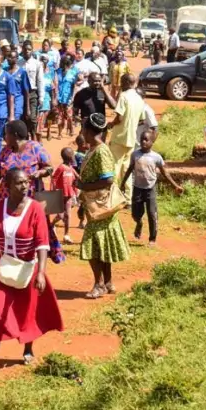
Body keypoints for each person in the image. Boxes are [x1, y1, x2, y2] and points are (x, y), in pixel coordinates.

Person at [0, 167, 64, 374]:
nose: (24, 186)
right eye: (19, 182)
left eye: (26, 182)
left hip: (28, 267)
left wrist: (41, 272)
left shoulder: (35, 209)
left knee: (27, 309)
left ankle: (28, 350)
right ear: (7, 186)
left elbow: (42, 244)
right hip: (2, 266)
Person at [78, 113, 129, 299]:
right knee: (102, 245)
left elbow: (107, 179)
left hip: (101, 207)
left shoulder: (101, 151)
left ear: (90, 131)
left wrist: (84, 186)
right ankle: (107, 282)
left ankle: (99, 284)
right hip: (95, 205)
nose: (82, 132)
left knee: (92, 246)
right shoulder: (93, 149)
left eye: (84, 128)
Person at [122, 129, 184, 245]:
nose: (143, 142)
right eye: (141, 139)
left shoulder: (156, 157)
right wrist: (122, 184)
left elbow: (165, 173)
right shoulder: (135, 154)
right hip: (137, 188)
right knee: (135, 213)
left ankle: (152, 239)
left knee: (152, 213)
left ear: (152, 142)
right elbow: (130, 169)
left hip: (150, 189)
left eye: (146, 140)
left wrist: (175, 186)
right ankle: (139, 223)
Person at [108, 74, 145, 199]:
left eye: (122, 82)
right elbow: (142, 120)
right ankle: (128, 198)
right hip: (131, 139)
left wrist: (111, 124)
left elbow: (119, 117)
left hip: (119, 137)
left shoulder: (123, 96)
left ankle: (113, 197)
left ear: (125, 83)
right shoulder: (139, 99)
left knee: (114, 168)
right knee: (126, 169)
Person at [52, 147, 80, 245]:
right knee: (60, 215)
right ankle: (51, 225)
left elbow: (77, 177)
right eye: (72, 155)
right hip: (60, 194)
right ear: (69, 157)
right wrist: (53, 190)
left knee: (67, 215)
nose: (74, 156)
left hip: (69, 195)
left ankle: (66, 235)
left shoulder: (71, 168)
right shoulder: (62, 167)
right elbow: (54, 178)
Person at [21, 42, 44, 141]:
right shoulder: (18, 63)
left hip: (32, 93)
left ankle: (33, 135)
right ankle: (25, 138)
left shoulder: (37, 64)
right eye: (25, 49)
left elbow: (40, 80)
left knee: (32, 117)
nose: (27, 51)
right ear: (22, 49)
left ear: (32, 50)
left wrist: (41, 97)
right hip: (20, 94)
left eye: (29, 49)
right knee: (23, 117)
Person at [54, 55, 78, 139]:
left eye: (66, 64)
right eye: (63, 64)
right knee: (60, 116)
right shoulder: (57, 72)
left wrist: (73, 97)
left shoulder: (73, 73)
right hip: (59, 98)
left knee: (69, 116)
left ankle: (71, 128)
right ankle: (59, 133)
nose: (64, 67)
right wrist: (55, 96)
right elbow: (55, 84)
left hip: (68, 98)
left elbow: (74, 86)